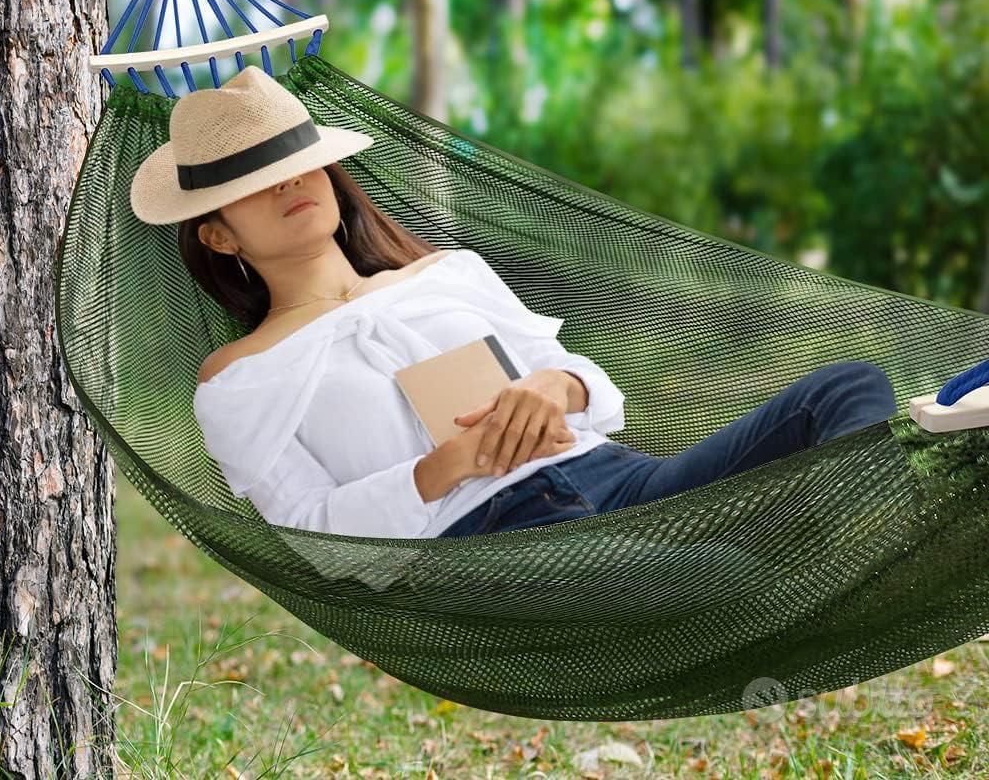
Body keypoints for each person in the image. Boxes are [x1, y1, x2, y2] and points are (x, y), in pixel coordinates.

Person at [129, 65, 898, 540]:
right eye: (254, 184)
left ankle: (858, 540)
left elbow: (593, 393)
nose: (291, 184)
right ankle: (814, 554)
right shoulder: (236, 379)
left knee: (849, 389)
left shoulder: (447, 274)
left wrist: (549, 387)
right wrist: (445, 467)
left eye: (301, 164)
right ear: (221, 237)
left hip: (614, 476)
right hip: (496, 540)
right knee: (718, 580)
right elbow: (310, 533)